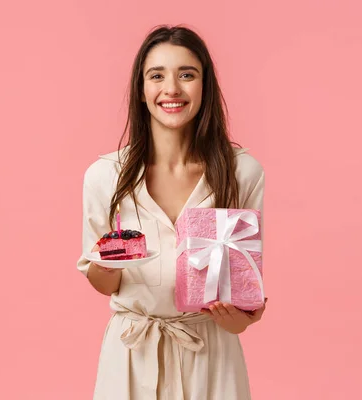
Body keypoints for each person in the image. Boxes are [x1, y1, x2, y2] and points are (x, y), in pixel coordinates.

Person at [77, 25, 267, 400]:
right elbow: (103, 284)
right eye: (157, 75)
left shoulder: (242, 171)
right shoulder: (105, 176)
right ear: (141, 89)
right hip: (131, 355)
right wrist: (109, 258)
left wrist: (245, 316)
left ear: (204, 85)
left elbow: (247, 287)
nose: (172, 89)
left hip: (210, 354)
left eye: (187, 74)